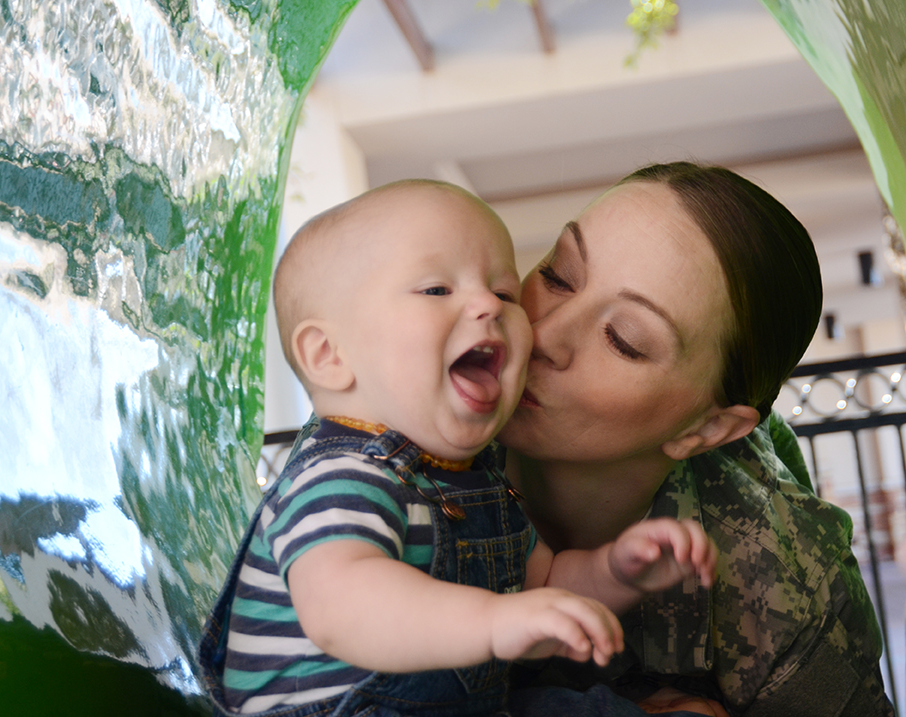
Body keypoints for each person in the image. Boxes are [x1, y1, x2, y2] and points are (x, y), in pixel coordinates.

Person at [198, 179, 721, 717]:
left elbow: (544, 581)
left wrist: (615, 572)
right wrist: (493, 623)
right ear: (329, 354)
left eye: (503, 292)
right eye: (436, 290)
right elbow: (342, 608)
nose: (485, 306)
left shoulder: (476, 482)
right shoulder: (340, 477)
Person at [498, 162, 895, 716]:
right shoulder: (392, 449)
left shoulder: (784, 591)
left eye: (625, 340)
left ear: (706, 429)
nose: (542, 336)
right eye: (558, 274)